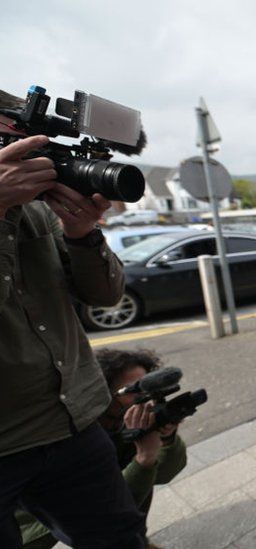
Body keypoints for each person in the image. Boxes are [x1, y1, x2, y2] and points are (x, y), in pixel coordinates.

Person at [0, 131, 147, 547]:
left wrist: (82, 233)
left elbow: (105, 295)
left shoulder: (38, 209)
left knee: (119, 537)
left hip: (72, 423)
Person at [17, 348, 188, 549]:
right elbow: (102, 510)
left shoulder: (129, 423)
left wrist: (166, 438)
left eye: (147, 389)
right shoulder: (76, 431)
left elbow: (164, 473)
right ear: (102, 389)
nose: (143, 399)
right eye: (134, 389)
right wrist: (144, 458)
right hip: (31, 524)